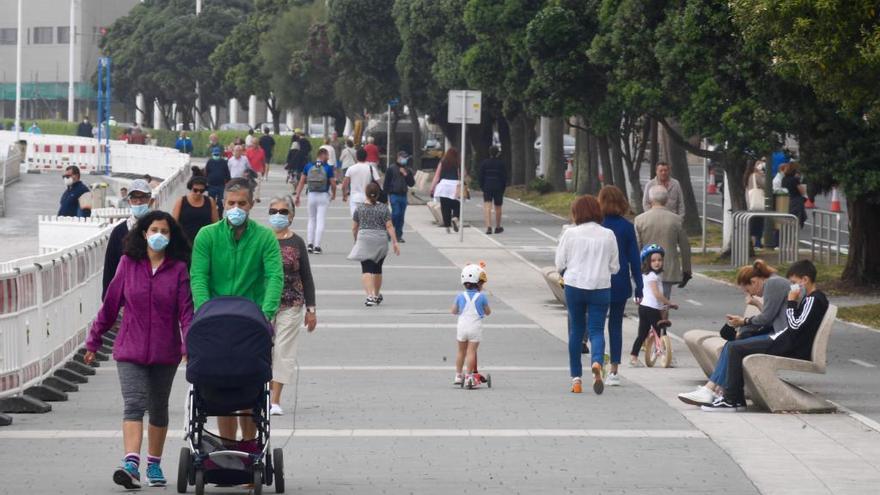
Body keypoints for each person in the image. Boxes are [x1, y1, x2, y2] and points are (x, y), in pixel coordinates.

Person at [84, 210, 193, 489]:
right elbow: (110, 306)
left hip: (164, 352)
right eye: (154, 230)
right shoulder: (127, 264)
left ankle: (153, 465)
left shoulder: (179, 269)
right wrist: (94, 340)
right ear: (144, 233)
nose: (159, 235)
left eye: (165, 231)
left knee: (158, 408)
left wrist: (188, 344)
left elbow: (186, 312)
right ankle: (130, 463)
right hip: (129, 348)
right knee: (134, 404)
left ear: (171, 237)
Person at [190, 178, 283, 440]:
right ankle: (226, 447)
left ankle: (249, 446)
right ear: (222, 203)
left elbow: (274, 276)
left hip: (251, 325)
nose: (236, 208)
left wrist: (266, 314)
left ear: (251, 204)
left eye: (242, 203)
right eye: (231, 203)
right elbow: (198, 276)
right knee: (220, 389)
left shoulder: (264, 237)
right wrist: (203, 311)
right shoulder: (207, 236)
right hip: (215, 323)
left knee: (250, 391)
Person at [702, 260, 829, 412]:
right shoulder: (811, 299)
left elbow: (794, 325)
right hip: (787, 342)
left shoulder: (814, 299)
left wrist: (791, 302)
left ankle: (732, 399)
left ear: (805, 280)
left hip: (789, 345)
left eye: (794, 283)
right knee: (735, 346)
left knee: (734, 348)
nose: (793, 287)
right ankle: (732, 398)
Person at [677, 259, 790, 406]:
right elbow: (771, 316)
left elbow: (767, 318)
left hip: (782, 337)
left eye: (748, 290)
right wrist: (754, 307)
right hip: (779, 334)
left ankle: (715, 390)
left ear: (754, 281)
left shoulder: (773, 284)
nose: (751, 294)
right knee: (732, 344)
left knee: (733, 347)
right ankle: (713, 389)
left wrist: (743, 321)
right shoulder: (774, 282)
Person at [555, 195, 619, 394]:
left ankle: (576, 379)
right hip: (600, 287)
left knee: (576, 331)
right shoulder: (608, 234)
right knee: (597, 330)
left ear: (577, 213)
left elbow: (559, 263)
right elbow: (614, 267)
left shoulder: (570, 234)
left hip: (574, 285)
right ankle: (597, 362)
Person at [266, 196, 316, 416]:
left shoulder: (297, 242)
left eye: (283, 211)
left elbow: (306, 275)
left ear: (292, 216)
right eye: (273, 210)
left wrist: (311, 309)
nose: (278, 215)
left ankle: (275, 400)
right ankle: (263, 395)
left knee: (283, 351)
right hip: (263, 305)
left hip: (291, 303)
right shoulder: (261, 239)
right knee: (263, 351)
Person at [598, 185, 643, 384]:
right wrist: (640, 286)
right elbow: (635, 258)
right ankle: (614, 370)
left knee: (596, 326)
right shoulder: (626, 227)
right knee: (615, 325)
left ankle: (598, 363)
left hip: (598, 280)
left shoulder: (596, 225)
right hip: (620, 281)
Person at [634, 185, 692, 299]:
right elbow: (685, 247)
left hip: (646, 268)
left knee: (648, 300)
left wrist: (636, 268)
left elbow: (637, 246)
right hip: (668, 268)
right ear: (666, 200)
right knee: (664, 300)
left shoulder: (640, 220)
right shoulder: (676, 220)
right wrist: (686, 270)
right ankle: (663, 316)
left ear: (650, 200)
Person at [348, 182, 400, 306]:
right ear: (378, 195)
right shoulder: (383, 208)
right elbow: (389, 226)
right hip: (381, 240)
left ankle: (369, 296)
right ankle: (376, 295)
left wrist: (356, 240)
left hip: (364, 239)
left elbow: (354, 228)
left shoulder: (359, 208)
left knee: (366, 269)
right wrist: (395, 242)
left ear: (366, 194)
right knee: (377, 269)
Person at [103, 179, 154, 299]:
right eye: (134, 199)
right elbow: (110, 266)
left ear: (150, 201)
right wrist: (107, 298)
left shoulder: (161, 227)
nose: (139, 202)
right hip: (126, 298)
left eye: (143, 198)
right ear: (129, 201)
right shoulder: (119, 232)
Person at [629, 245, 678, 366]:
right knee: (658, 332)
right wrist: (669, 302)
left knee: (642, 334)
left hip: (644, 307)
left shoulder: (645, 275)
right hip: (651, 309)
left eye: (660, 260)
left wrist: (637, 299)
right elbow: (656, 294)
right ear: (647, 261)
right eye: (653, 260)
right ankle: (664, 355)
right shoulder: (652, 276)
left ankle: (633, 358)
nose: (657, 263)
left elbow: (641, 290)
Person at [452, 264, 492, 388]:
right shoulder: (482, 297)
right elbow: (488, 312)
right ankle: (469, 376)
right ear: (477, 283)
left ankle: (458, 376)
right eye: (481, 283)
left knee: (461, 351)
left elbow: (453, 311)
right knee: (471, 352)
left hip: (462, 326)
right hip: (475, 327)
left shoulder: (459, 296)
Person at [294, 148, 337, 254]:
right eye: (327, 155)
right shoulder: (328, 168)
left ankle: (309, 244)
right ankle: (317, 246)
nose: (328, 157)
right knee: (320, 220)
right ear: (322, 154)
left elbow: (301, 182)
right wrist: (334, 194)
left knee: (311, 219)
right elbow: (333, 184)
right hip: (323, 195)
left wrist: (297, 195)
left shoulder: (308, 166)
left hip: (311, 195)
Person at [172, 173, 219, 246]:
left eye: (201, 191)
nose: (198, 193)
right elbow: (174, 222)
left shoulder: (210, 201)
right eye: (195, 190)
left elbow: (215, 223)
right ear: (191, 188)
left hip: (205, 240)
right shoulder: (181, 201)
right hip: (185, 241)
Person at [384, 150, 416, 242]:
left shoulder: (408, 170)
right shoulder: (391, 169)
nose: (404, 160)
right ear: (398, 158)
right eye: (402, 158)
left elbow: (411, 183)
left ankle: (398, 235)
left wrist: (406, 175)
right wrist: (385, 197)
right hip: (394, 194)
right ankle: (390, 232)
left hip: (403, 195)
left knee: (401, 216)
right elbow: (386, 183)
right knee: (396, 213)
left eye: (405, 158)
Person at [430, 148, 464, 233]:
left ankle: (447, 227)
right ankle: (455, 218)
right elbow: (463, 174)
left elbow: (437, 176)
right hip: (455, 185)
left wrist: (432, 188)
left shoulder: (443, 162)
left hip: (443, 185)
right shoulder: (458, 162)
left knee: (445, 207)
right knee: (457, 204)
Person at [478, 146, 508, 235]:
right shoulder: (501, 164)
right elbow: (504, 177)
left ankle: (488, 227)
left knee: (487, 206)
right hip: (498, 186)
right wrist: (503, 187)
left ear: (489, 153)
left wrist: (482, 187)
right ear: (498, 153)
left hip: (487, 186)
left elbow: (480, 177)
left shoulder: (484, 163)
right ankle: (498, 227)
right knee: (498, 207)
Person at [343, 149, 380, 217]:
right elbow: (378, 182)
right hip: (368, 198)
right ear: (366, 157)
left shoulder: (351, 168)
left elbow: (345, 184)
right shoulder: (371, 168)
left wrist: (344, 195)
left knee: (356, 221)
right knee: (366, 220)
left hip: (355, 198)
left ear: (356, 157)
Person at [745, 160, 767, 248]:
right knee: (758, 223)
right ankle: (757, 242)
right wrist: (763, 175)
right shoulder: (755, 176)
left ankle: (755, 242)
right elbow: (765, 185)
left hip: (752, 202)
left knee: (755, 222)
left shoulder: (749, 176)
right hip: (758, 203)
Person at [205, 149, 230, 215]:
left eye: (217, 154)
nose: (216, 156)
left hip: (221, 185)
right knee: (211, 201)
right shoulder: (209, 162)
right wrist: (206, 182)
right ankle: (211, 214)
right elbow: (206, 172)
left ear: (220, 154)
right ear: (212, 154)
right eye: (215, 154)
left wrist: (228, 182)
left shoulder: (224, 162)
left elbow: (227, 173)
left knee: (220, 201)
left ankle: (220, 214)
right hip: (211, 185)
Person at [782, 161, 808, 228]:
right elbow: (802, 191)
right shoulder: (795, 180)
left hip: (787, 200)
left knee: (789, 220)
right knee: (795, 220)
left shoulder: (784, 179)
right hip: (796, 201)